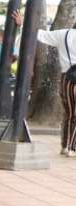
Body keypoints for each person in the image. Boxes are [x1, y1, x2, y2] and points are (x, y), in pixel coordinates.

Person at [29, 12, 76, 156]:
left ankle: (65, 146)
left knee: (69, 113)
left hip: (67, 78)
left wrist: (22, 23)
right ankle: (72, 148)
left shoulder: (64, 34)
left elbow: (40, 34)